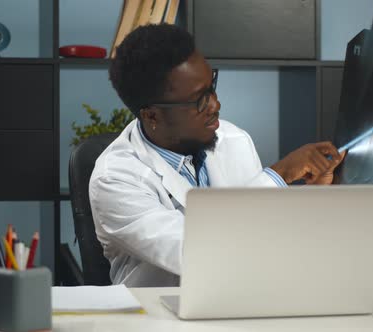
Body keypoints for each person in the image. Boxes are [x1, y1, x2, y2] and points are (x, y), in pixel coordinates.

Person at [89, 24, 345, 286]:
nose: (216, 105)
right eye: (199, 99)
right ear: (152, 115)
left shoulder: (234, 141)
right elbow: (196, 254)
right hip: (158, 318)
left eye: (212, 86)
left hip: (239, 303)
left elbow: (261, 234)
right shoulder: (115, 178)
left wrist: (315, 198)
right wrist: (278, 175)